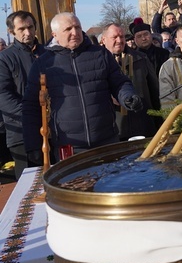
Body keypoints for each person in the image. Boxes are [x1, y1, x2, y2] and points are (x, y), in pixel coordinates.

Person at [22, 13, 142, 163]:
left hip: (106, 139)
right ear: (55, 34)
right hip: (69, 145)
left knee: (112, 184)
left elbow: (119, 82)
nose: (75, 32)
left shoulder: (100, 54)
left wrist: (127, 96)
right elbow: (30, 106)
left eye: (77, 27)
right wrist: (33, 145)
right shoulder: (43, 64)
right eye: (68, 29)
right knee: (76, 186)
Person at [0, 11, 45, 178]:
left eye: (31, 27)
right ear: (12, 31)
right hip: (21, 132)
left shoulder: (49, 53)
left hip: (53, 129)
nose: (28, 33)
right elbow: (3, 96)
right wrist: (33, 115)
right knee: (30, 184)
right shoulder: (4, 59)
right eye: (22, 29)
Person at [100, 23, 160, 140]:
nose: (119, 40)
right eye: (114, 37)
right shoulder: (97, 63)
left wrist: (158, 121)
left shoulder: (141, 58)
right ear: (104, 39)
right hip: (114, 128)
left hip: (142, 124)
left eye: (122, 37)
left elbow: (154, 92)